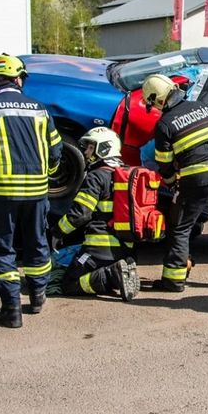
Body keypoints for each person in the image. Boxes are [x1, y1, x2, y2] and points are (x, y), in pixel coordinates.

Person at [0, 54, 62, 327]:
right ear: (19, 79)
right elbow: (56, 151)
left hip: (2, 193)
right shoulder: (39, 109)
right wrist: (48, 175)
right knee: (37, 243)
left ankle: (11, 309)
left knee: (3, 248)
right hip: (37, 192)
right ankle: (38, 297)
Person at [144, 73, 208, 292]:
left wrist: (171, 183)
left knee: (180, 228)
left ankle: (173, 281)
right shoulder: (202, 107)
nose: (154, 108)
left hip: (196, 180)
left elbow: (164, 163)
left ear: (158, 99)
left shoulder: (164, 124)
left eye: (152, 103)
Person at [54, 127, 141, 301]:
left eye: (91, 147)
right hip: (127, 248)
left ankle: (110, 274)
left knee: (69, 284)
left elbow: (80, 214)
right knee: (93, 275)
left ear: (104, 148)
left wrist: (57, 231)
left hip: (98, 250)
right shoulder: (128, 174)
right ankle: (118, 271)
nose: (86, 152)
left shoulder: (96, 176)